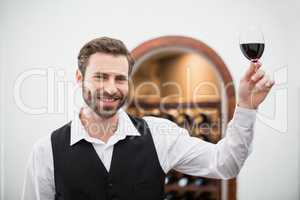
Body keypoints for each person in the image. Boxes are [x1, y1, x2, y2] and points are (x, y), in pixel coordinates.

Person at [21, 37, 275, 200]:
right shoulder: (46, 150)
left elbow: (226, 164)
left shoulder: (160, 134)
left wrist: (246, 107)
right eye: (100, 77)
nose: (111, 88)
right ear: (80, 78)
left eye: (120, 78)